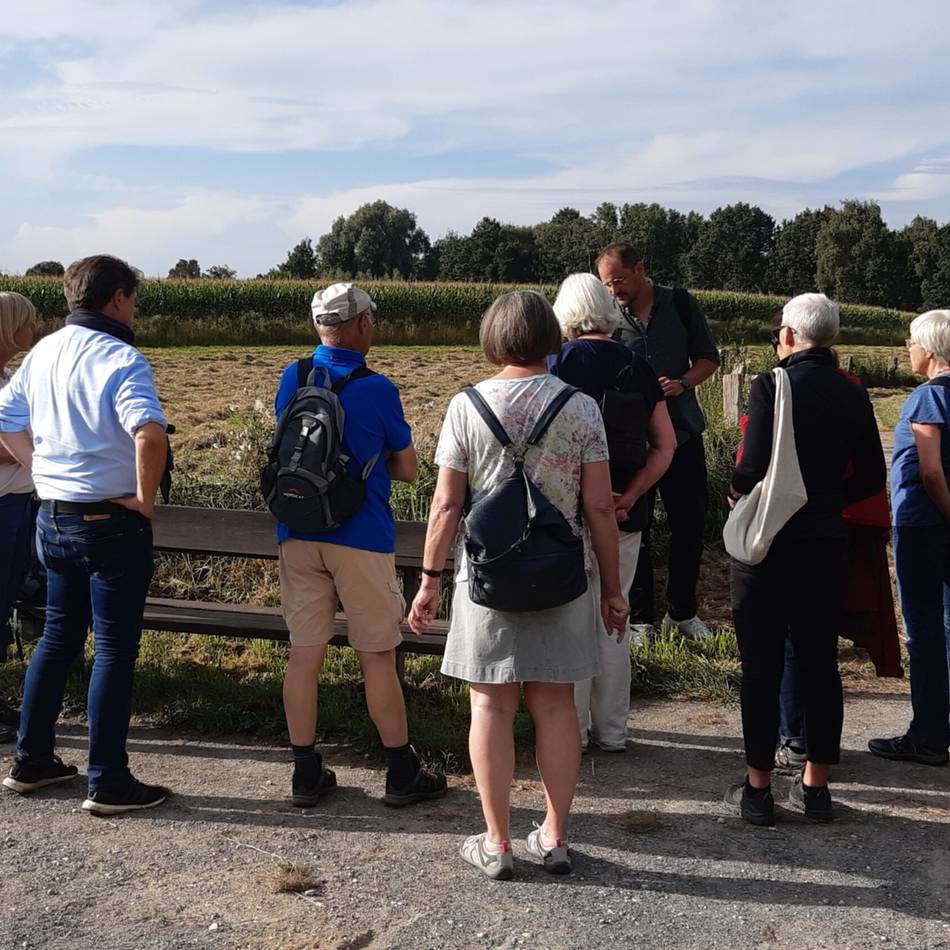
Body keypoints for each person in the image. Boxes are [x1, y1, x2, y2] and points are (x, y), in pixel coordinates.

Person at [408, 290, 629, 880]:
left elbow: (445, 506)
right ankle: (555, 837)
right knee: (556, 704)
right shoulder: (581, 408)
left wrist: (428, 582)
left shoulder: (466, 406)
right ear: (551, 340)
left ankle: (498, 842)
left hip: (486, 579)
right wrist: (612, 589)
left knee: (490, 704)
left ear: (493, 338)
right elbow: (600, 510)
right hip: (562, 577)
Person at [0, 255, 171, 814]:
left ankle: (32, 760)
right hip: (109, 520)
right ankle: (109, 780)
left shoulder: (44, 350)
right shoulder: (121, 357)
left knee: (56, 638)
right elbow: (149, 433)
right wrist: (144, 501)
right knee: (115, 651)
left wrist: (44, 469)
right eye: (134, 300)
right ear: (118, 297)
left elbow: (5, 417)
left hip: (54, 515)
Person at [274, 282, 447, 808]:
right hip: (361, 536)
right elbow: (409, 468)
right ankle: (399, 771)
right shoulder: (378, 388)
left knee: (304, 656)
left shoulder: (293, 376)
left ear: (318, 327)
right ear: (364, 325)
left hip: (298, 531)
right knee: (376, 655)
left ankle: (305, 772)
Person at [726, 293, 886, 825]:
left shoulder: (773, 383)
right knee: (820, 660)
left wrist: (737, 493)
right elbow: (869, 475)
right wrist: (826, 501)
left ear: (790, 335)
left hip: (769, 543)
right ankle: (815, 789)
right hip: (824, 541)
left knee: (762, 663)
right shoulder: (852, 391)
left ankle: (757, 790)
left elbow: (750, 467)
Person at [548, 273, 675, 752]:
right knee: (614, 617)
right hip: (625, 516)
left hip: (566, 517)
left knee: (571, 621)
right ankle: (614, 731)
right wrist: (631, 494)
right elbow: (666, 446)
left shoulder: (556, 364)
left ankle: (572, 732)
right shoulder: (638, 367)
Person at [596, 243, 720, 641]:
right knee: (637, 525)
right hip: (633, 443)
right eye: (605, 282)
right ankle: (641, 617)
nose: (612, 289)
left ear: (640, 269)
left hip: (683, 433)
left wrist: (682, 383)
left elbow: (708, 358)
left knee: (689, 524)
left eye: (618, 279)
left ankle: (682, 612)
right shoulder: (607, 316)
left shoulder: (681, 304)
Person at [869, 309, 950, 767]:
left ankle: (927, 734)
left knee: (922, 630)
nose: (909, 348)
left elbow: (931, 468)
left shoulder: (928, 399)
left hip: (923, 522)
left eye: (913, 342)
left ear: (932, 350)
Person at [0, 292, 37, 744]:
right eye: (27, 320)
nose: (35, 327)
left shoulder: (9, 375)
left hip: (16, 502)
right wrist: (30, 452)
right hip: (3, 506)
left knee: (5, 598)